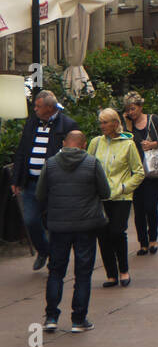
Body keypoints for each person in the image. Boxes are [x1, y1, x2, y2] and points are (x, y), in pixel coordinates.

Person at [38, 130, 110, 334]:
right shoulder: (92, 163)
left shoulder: (50, 164)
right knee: (83, 273)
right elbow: (105, 192)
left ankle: (51, 316)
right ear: (84, 144)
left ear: (64, 143)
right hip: (86, 226)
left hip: (58, 226)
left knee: (56, 271)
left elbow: (40, 193)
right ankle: (78, 319)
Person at [10, 89, 79, 271]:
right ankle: (44, 250)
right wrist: (16, 179)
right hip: (31, 182)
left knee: (54, 223)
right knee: (31, 220)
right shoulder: (32, 123)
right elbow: (22, 151)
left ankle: (55, 259)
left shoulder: (67, 125)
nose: (35, 109)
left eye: (38, 106)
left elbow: (73, 155)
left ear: (49, 108)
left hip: (54, 184)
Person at [88, 108, 144, 289]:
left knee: (117, 232)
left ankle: (124, 270)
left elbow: (139, 172)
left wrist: (124, 187)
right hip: (101, 197)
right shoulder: (96, 143)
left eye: (105, 122)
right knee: (103, 235)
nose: (102, 126)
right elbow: (88, 167)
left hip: (121, 196)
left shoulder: (128, 144)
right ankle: (111, 274)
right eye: (101, 122)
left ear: (115, 123)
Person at [122, 92, 158, 257]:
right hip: (136, 172)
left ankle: (153, 238)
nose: (131, 112)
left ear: (140, 107)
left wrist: (153, 144)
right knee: (138, 209)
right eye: (128, 110)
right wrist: (127, 125)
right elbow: (125, 143)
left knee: (150, 206)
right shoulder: (127, 126)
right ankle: (143, 243)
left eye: (133, 109)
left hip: (153, 171)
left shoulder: (153, 120)